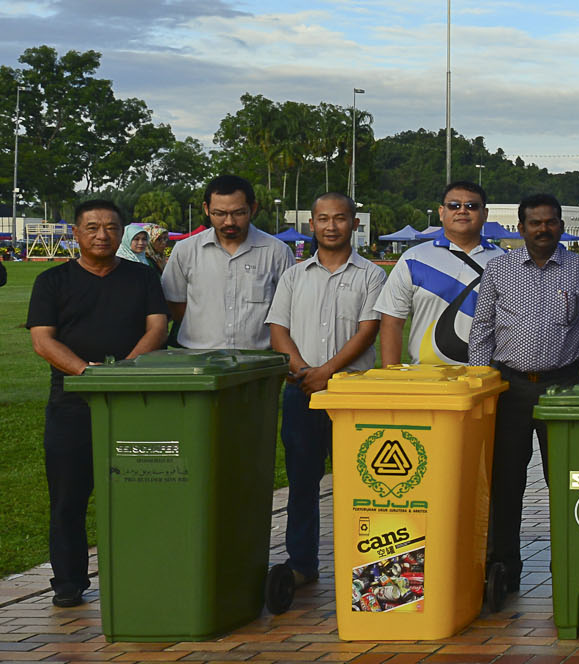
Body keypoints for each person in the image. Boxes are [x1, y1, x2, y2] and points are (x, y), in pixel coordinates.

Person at [27, 198, 170, 607]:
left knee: (142, 492)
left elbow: (157, 328)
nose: (102, 234)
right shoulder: (53, 282)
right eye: (92, 227)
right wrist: (89, 374)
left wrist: (123, 372)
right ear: (76, 233)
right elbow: (43, 340)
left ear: (121, 233)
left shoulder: (142, 280)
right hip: (72, 402)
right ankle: (69, 585)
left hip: (135, 400)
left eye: (110, 227)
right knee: (68, 498)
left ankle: (142, 574)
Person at [468, 193, 579, 609]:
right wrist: (480, 382)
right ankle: (503, 565)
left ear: (561, 225)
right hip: (510, 387)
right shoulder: (499, 270)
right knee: (506, 481)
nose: (543, 229)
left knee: (567, 480)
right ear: (521, 228)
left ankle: (576, 563)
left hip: (564, 387)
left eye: (550, 222)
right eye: (535, 223)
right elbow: (482, 330)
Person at [265, 192, 385, 595]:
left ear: (354, 222)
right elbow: (278, 328)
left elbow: (368, 329)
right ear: (311, 225)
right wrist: (302, 370)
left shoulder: (371, 275)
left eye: (339, 218)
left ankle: (367, 565)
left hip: (353, 393)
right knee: (302, 482)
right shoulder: (294, 276)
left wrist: (328, 372)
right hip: (302, 392)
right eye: (322, 219)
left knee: (363, 485)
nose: (330, 226)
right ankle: (302, 563)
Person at [377, 180, 502, 366]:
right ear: (441, 212)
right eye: (454, 205)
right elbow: (392, 322)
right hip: (427, 381)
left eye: (471, 206)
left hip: (487, 379)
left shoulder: (504, 262)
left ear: (485, 214)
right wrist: (391, 376)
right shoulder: (414, 259)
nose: (462, 210)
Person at [162, 174, 292, 350]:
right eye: (219, 213)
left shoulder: (277, 252)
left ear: (253, 208)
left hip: (259, 361)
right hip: (197, 358)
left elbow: (287, 310)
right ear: (206, 209)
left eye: (239, 213)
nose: (229, 222)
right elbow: (176, 303)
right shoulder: (186, 250)